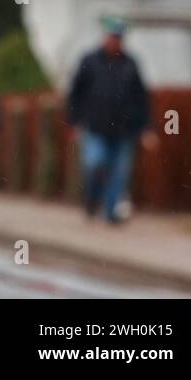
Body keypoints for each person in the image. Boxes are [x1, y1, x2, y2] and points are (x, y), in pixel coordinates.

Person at [67, 16, 152, 224]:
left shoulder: (130, 64)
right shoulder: (89, 61)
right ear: (105, 37)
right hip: (96, 127)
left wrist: (146, 128)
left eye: (118, 37)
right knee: (95, 164)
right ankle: (92, 199)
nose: (115, 41)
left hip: (124, 129)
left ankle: (111, 212)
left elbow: (141, 98)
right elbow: (75, 94)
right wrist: (75, 122)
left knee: (119, 173)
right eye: (112, 36)